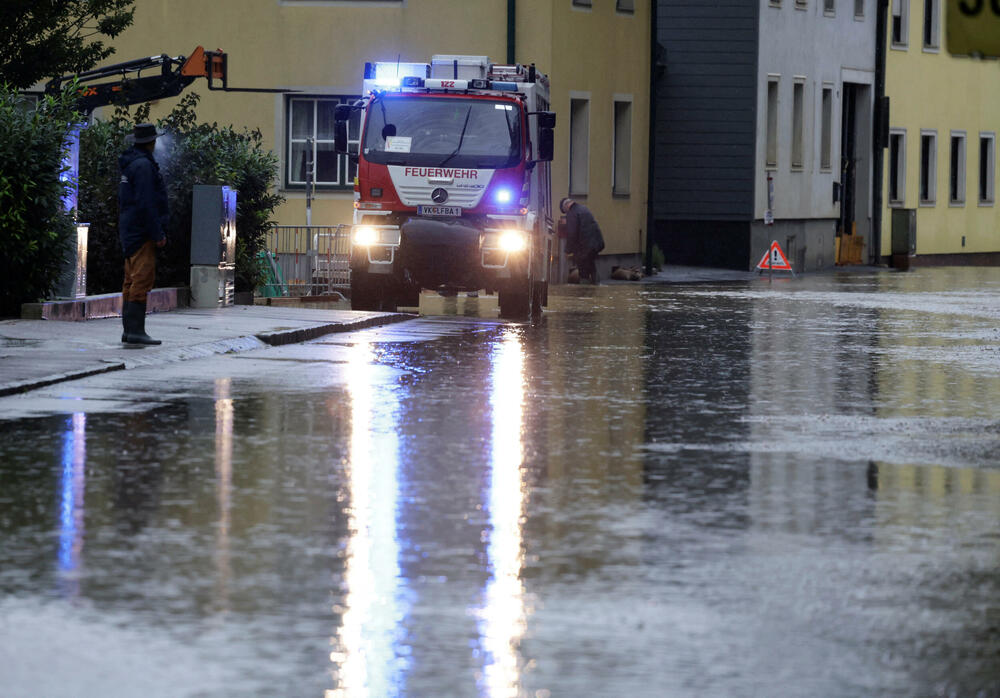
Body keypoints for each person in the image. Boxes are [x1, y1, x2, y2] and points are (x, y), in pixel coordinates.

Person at [118, 123, 168, 345]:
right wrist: (157, 233)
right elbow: (147, 203)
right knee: (141, 279)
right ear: (152, 142)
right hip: (141, 232)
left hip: (129, 229)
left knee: (130, 281)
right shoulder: (144, 167)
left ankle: (129, 331)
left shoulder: (131, 165)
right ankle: (136, 331)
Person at [560, 197, 605, 284]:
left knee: (583, 271)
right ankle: (596, 290)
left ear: (566, 206)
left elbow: (572, 233)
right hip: (596, 244)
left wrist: (567, 250)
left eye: (565, 211)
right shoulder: (583, 208)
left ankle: (584, 293)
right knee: (592, 267)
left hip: (584, 247)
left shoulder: (572, 213)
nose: (566, 213)